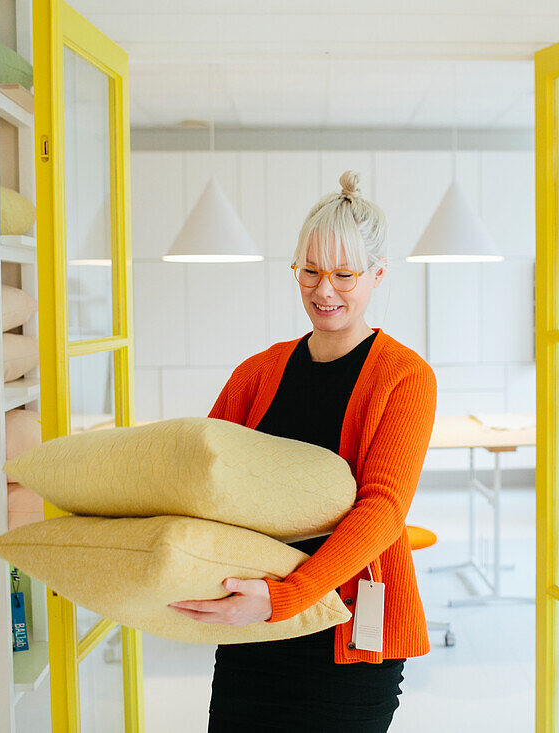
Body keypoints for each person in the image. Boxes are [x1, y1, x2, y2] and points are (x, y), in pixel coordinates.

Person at [168, 170, 437, 732]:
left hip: (345, 637)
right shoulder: (260, 372)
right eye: (309, 271)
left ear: (378, 276)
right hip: (257, 635)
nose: (324, 290)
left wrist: (286, 597)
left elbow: (383, 511)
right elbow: (203, 477)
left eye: (344, 274)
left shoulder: (404, 377)